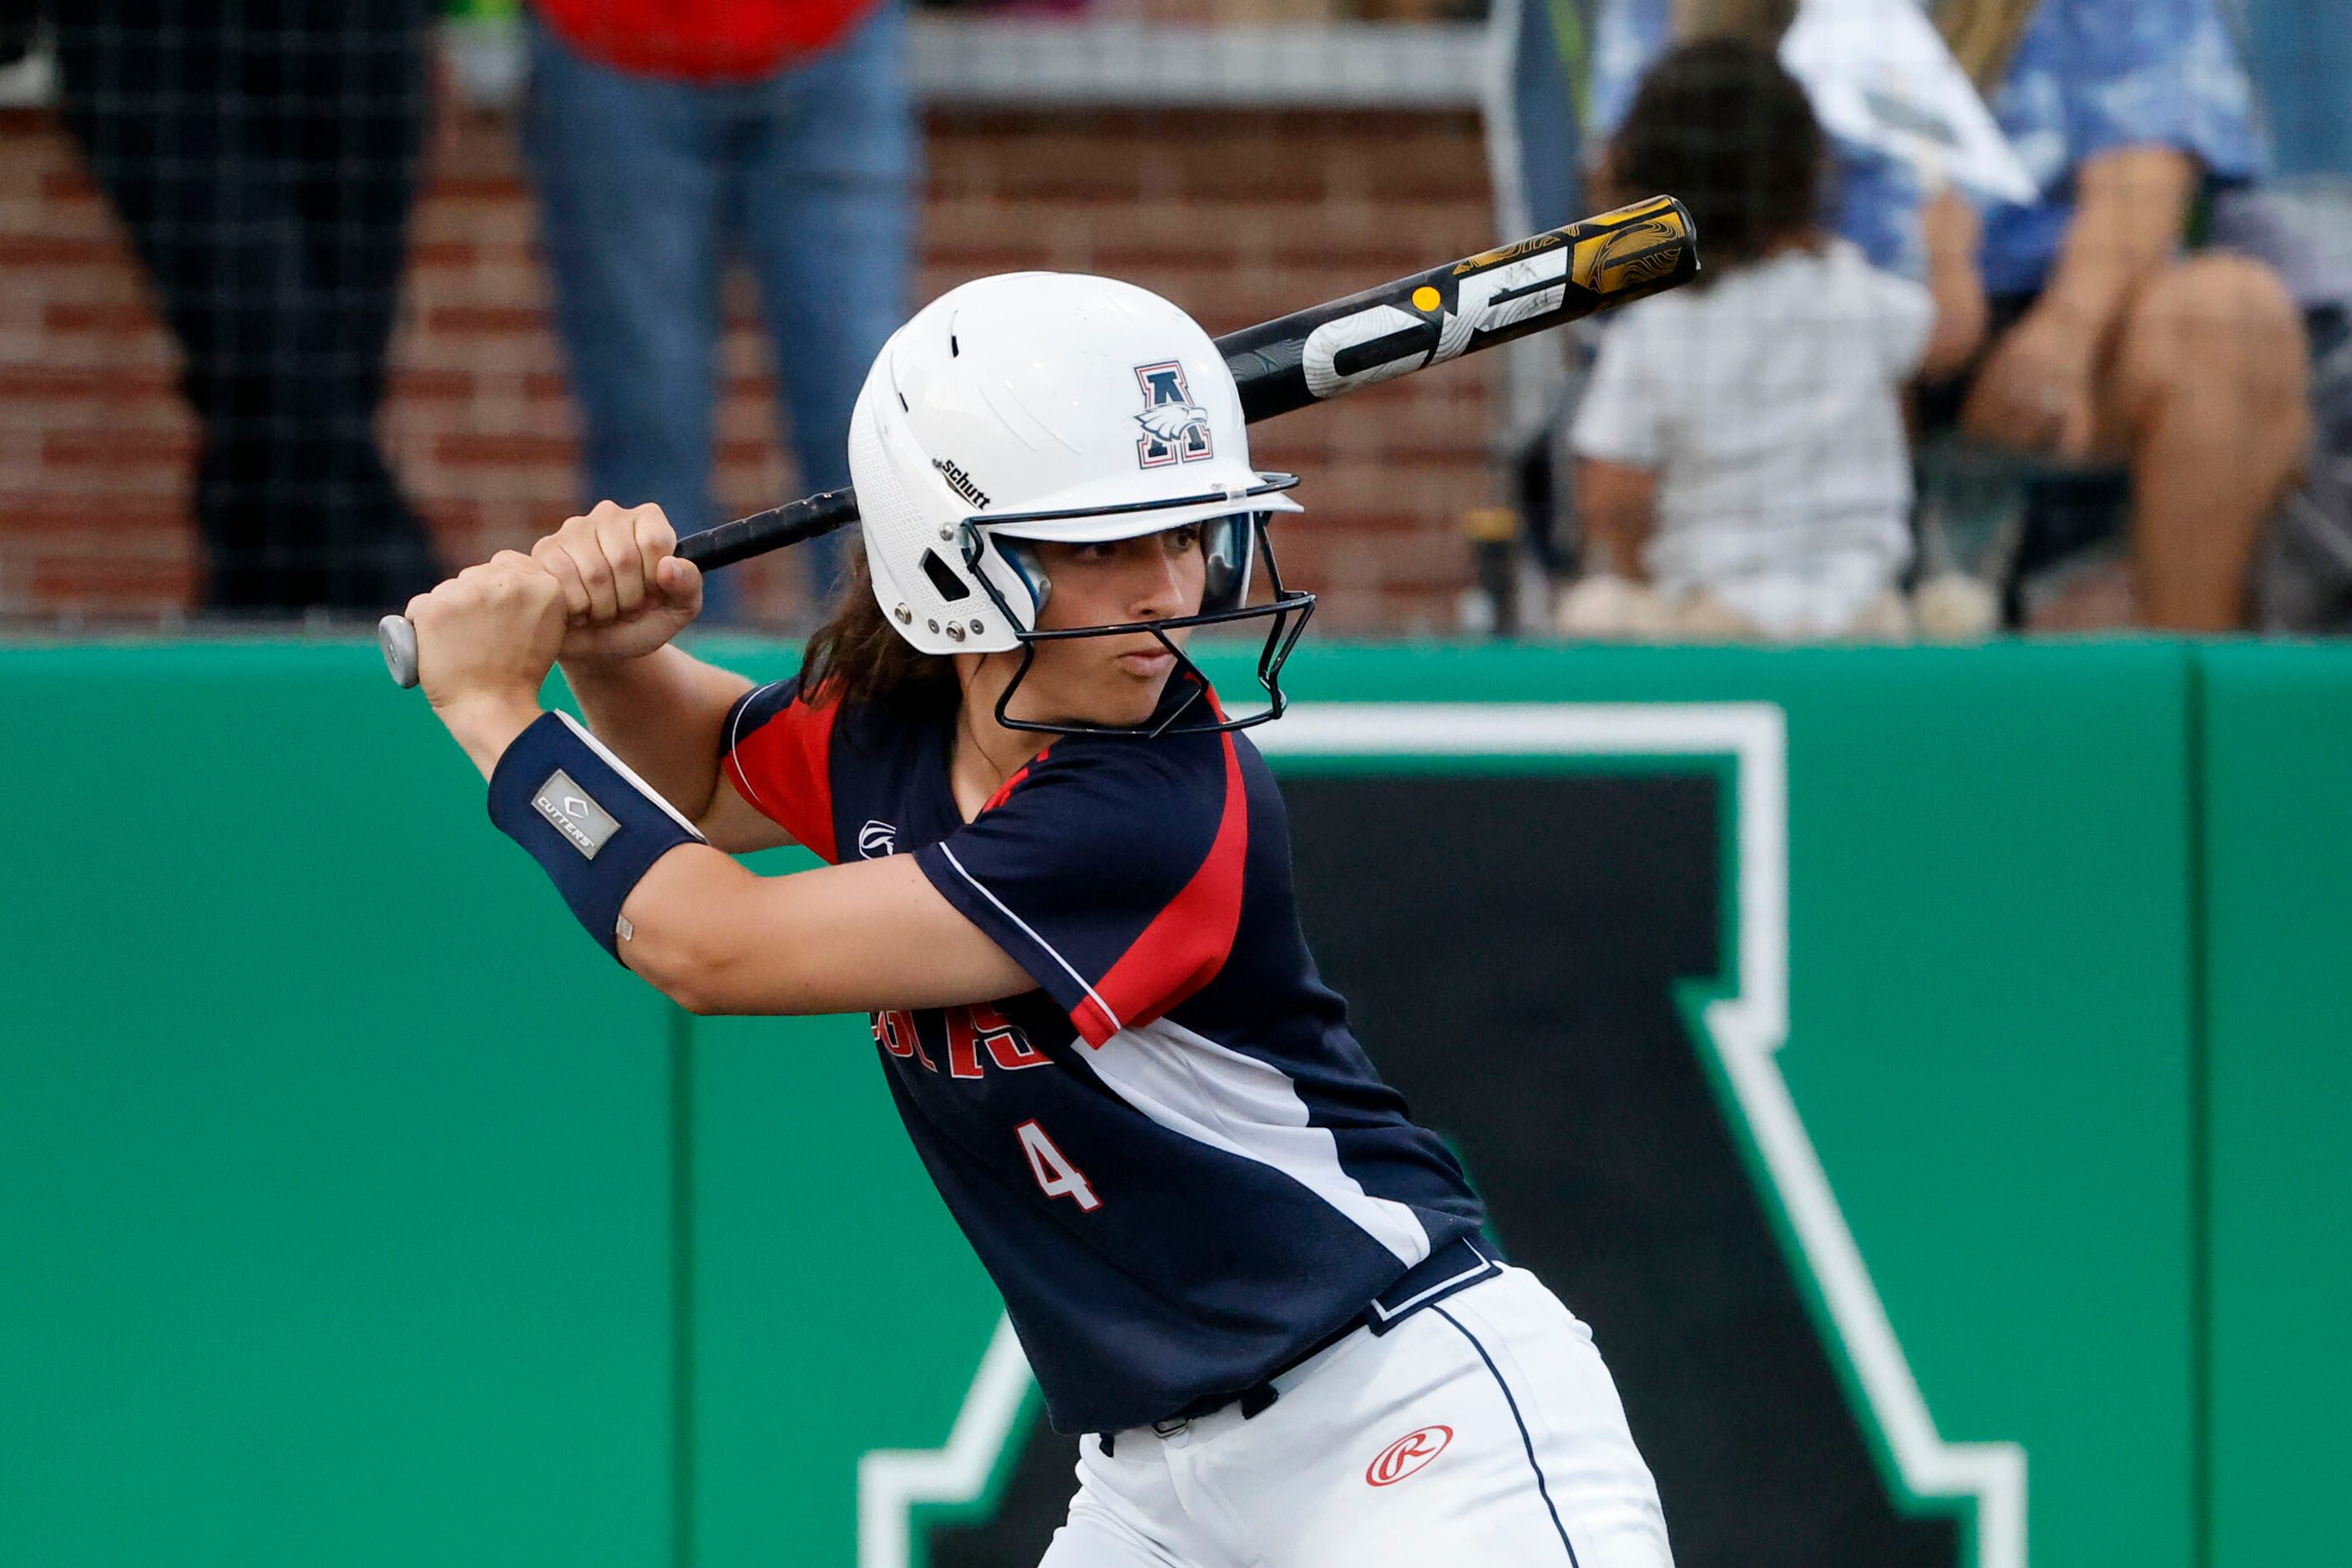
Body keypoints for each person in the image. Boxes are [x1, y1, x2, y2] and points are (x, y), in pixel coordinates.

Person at [401, 272, 1677, 1566]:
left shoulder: (1155, 798)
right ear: (951, 563)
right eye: (1102, 545)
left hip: (1403, 1421)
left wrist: (499, 714)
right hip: (1153, 1485)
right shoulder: (891, 725)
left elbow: (711, 944)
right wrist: (616, 655)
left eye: (1185, 534)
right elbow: (700, 777)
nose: (1168, 587)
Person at [1588, 0, 2312, 631]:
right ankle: (1714, 673)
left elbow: (2146, 171)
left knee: (2232, 318)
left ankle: (2181, 716)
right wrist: (1783, 301)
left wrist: (2062, 334)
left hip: (2067, 328)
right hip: (1808, 322)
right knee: (1788, 332)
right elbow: (1630, 212)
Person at [1562, 38, 1988, 641]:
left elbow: (1612, 494)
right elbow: (1952, 336)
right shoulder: (1850, 292)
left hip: (1712, 626)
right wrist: (1951, 251)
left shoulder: (1653, 326)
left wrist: (1640, 578)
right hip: (1860, 618)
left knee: (1592, 611)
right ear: (1805, 170)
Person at [520, 0, 917, 619]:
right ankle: (667, 690)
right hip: (607, 38)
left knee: (866, 408)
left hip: (832, 31)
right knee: (648, 415)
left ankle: (886, 678)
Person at [51, 0, 447, 615]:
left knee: (322, 387)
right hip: (152, 42)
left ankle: (242, 641)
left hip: (362, 37)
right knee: (271, 360)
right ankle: (420, 614)